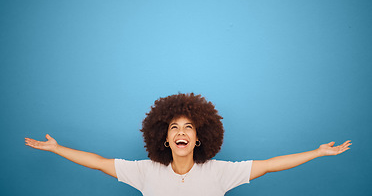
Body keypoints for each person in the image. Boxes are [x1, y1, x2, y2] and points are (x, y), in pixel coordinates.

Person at [25, 93, 351, 196]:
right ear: (165, 139)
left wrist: (318, 152)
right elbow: (97, 161)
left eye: (189, 127)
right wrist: (57, 148)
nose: (182, 132)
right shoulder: (144, 172)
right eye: (174, 127)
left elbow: (269, 164)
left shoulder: (220, 173)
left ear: (198, 138)